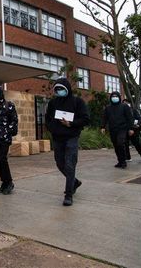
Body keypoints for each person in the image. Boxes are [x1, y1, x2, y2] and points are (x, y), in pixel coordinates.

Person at [45, 78, 90, 206]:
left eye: (62, 89)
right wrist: (52, 128)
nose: (59, 91)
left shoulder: (78, 102)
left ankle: (68, 194)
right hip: (58, 138)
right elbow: (48, 118)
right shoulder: (53, 103)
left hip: (72, 137)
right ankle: (74, 182)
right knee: (60, 163)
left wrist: (71, 124)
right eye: (57, 89)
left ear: (67, 89)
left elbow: (86, 119)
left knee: (70, 164)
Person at [101, 92, 134, 169]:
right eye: (113, 96)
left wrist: (131, 128)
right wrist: (102, 127)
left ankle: (123, 162)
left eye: (116, 96)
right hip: (112, 129)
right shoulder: (108, 108)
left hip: (122, 129)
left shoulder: (124, 106)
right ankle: (120, 161)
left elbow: (130, 118)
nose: (114, 97)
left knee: (120, 143)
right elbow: (104, 118)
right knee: (116, 146)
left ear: (119, 97)